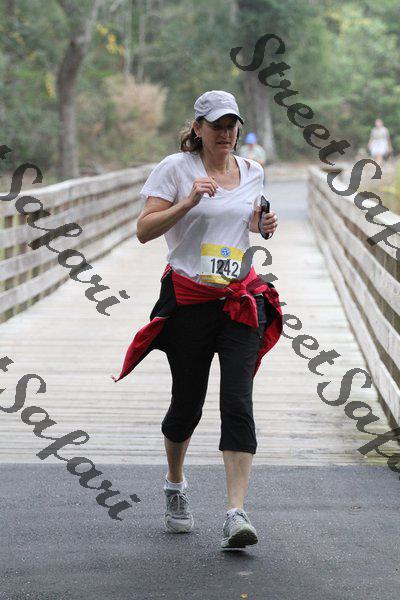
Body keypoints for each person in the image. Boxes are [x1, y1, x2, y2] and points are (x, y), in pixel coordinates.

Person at [111, 90, 282, 550]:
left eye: (232, 126)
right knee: (187, 403)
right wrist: (187, 202)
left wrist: (261, 226)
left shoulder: (252, 171)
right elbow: (143, 231)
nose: (225, 134)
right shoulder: (175, 168)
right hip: (189, 299)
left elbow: (241, 224)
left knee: (238, 401)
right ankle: (175, 484)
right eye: (217, 126)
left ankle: (235, 512)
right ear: (199, 128)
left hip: (239, 299)